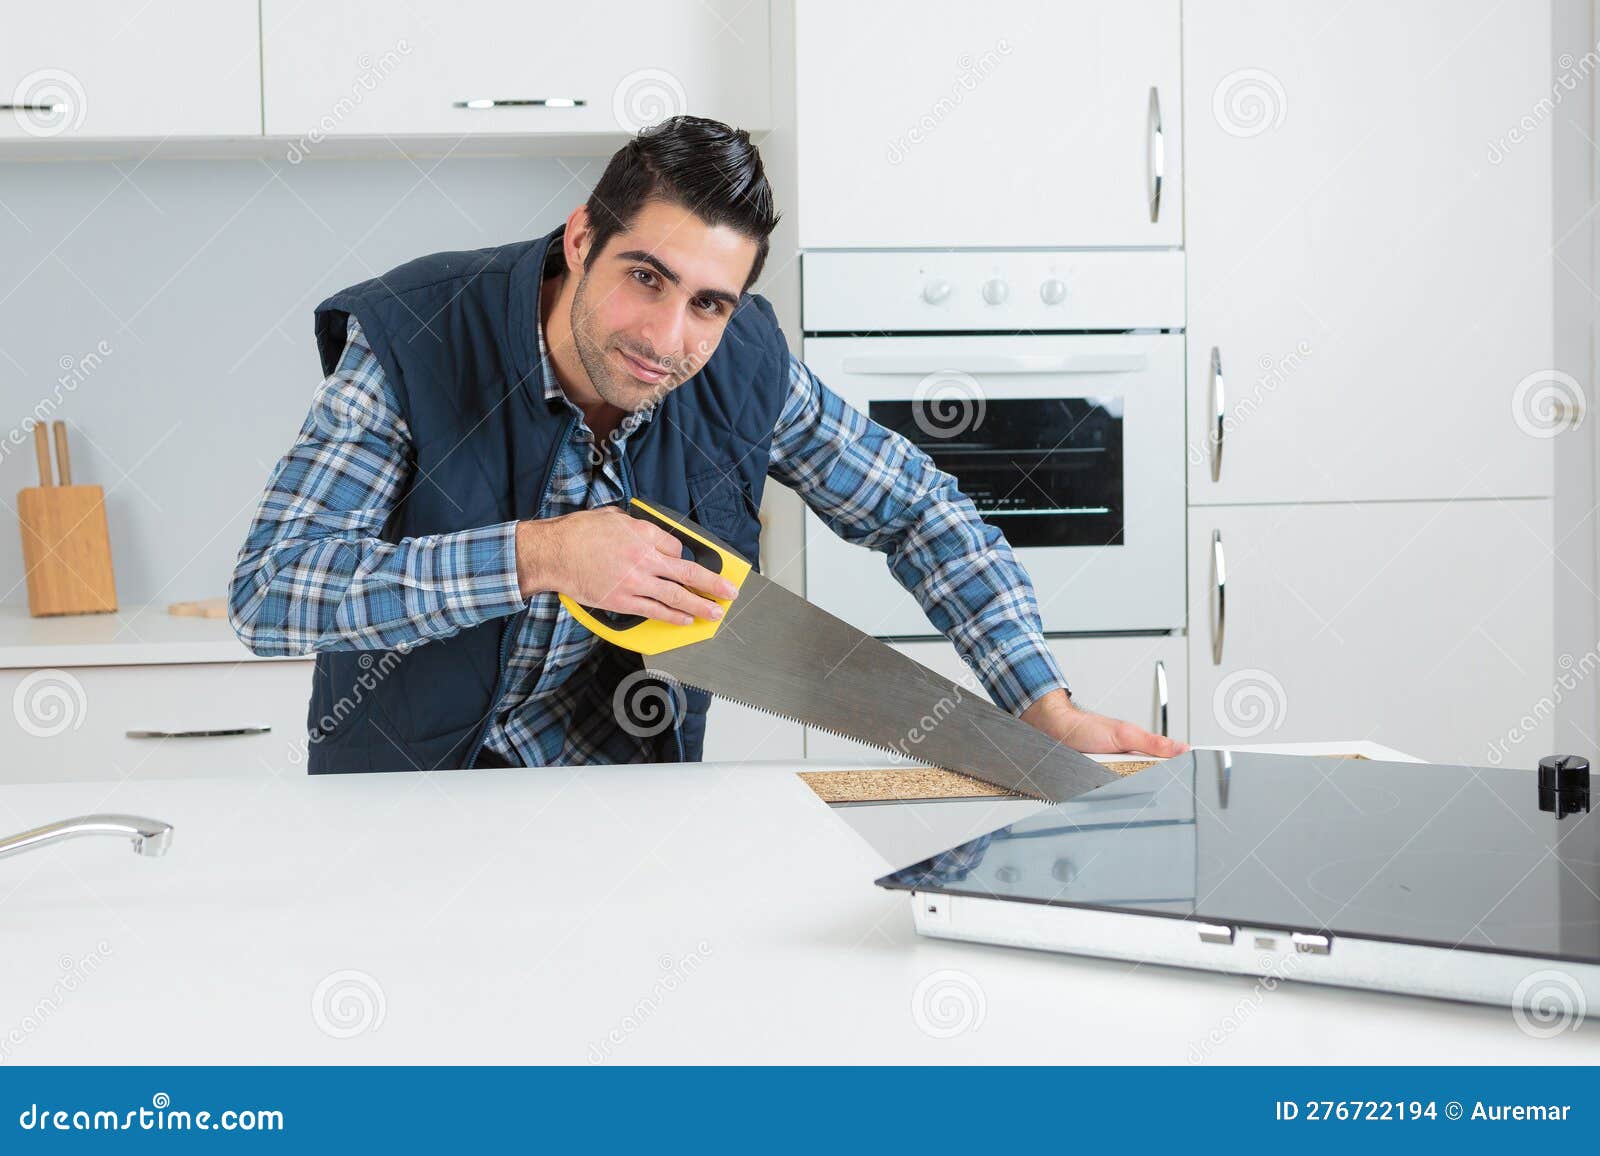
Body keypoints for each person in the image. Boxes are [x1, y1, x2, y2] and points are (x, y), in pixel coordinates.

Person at [228, 115, 1187, 773]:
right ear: (579, 240)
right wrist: (542, 553)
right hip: (405, 804)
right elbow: (272, 591)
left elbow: (922, 510)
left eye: (708, 303)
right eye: (645, 277)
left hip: (624, 809)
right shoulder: (415, 334)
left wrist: (1040, 706)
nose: (666, 338)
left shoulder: (741, 369)